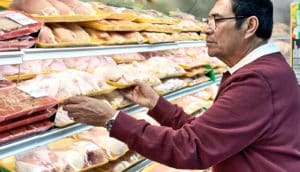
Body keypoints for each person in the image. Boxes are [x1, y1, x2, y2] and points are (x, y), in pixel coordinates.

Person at [63, 0, 300, 171]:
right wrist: (157, 104)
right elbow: (208, 136)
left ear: (250, 26)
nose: (206, 28)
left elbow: (192, 148)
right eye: (207, 20)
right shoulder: (265, 70)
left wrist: (111, 119)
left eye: (216, 20)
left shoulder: (258, 81)